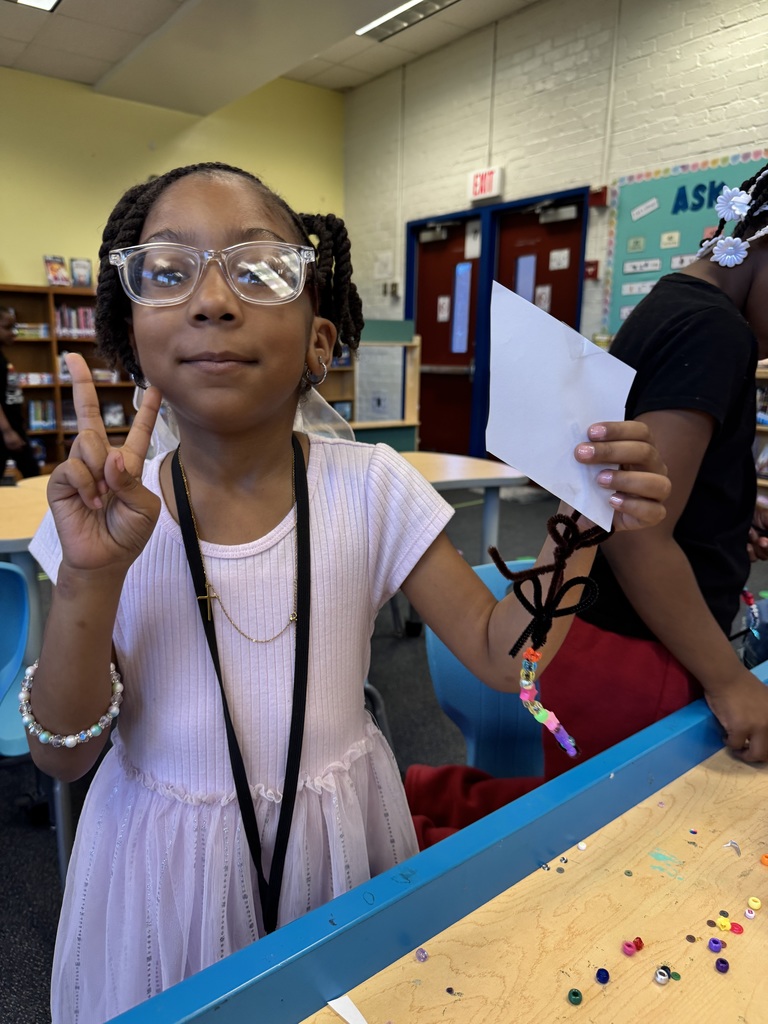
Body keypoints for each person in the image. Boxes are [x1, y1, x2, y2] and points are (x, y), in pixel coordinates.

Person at [24, 162, 669, 1023]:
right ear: (129, 332)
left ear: (320, 340)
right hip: (159, 865)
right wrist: (90, 578)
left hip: (337, 842)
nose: (213, 301)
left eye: (258, 270)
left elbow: (493, 651)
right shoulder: (95, 513)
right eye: (169, 273)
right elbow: (63, 755)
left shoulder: (369, 486)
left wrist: (580, 517)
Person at [407, 160, 768, 847]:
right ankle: (424, 815)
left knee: (581, 818)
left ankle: (435, 803)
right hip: (636, 649)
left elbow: (661, 482)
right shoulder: (716, 331)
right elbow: (631, 526)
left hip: (604, 634)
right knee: (603, 842)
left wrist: (727, 515)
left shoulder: (675, 301)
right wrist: (729, 681)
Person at [0, 305, 41, 478]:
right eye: (7, 328)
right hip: (5, 430)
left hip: (15, 426)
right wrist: (7, 432)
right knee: (31, 470)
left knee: (31, 469)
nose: (13, 332)